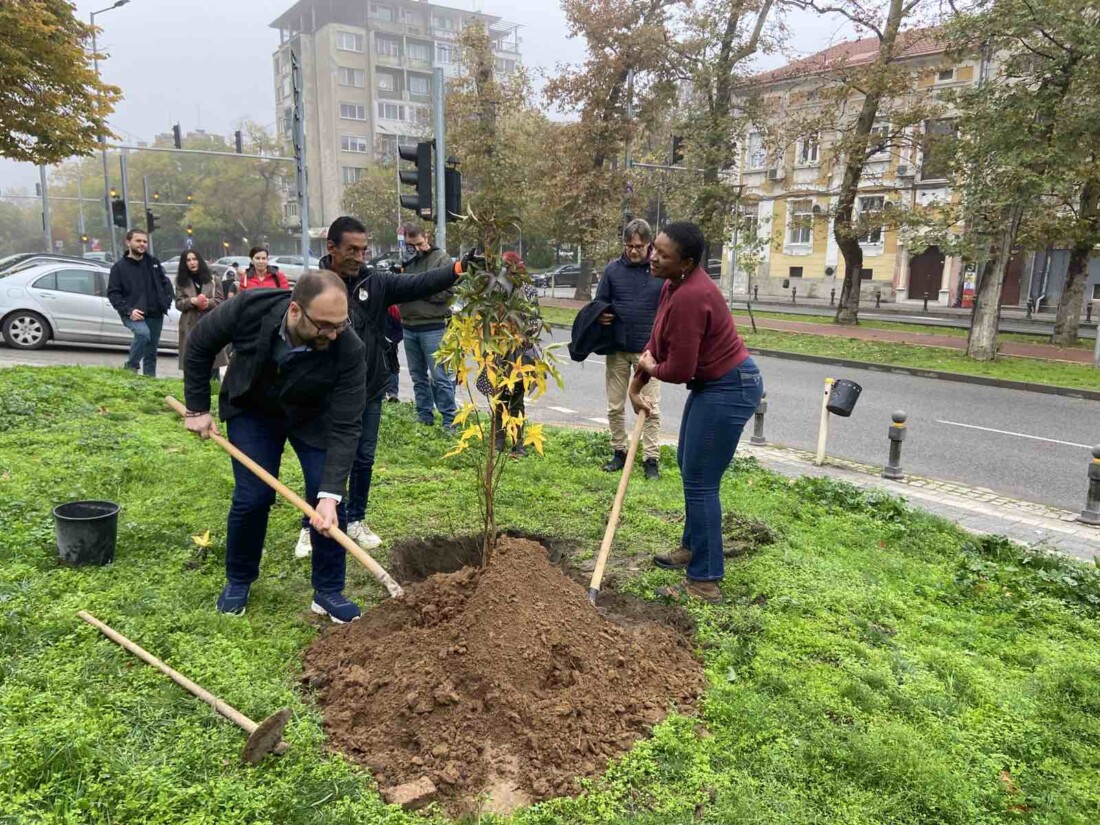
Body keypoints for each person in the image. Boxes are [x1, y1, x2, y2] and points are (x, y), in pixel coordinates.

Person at [182, 270, 367, 622]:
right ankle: (239, 579)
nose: (333, 333)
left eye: (339, 325)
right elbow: (200, 344)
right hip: (253, 409)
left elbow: (345, 425)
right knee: (253, 497)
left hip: (313, 416)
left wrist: (329, 495)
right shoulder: (250, 307)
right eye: (325, 325)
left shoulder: (348, 347)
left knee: (328, 499)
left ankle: (328, 591)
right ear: (295, 311)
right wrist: (197, 408)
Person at [292, 215, 476, 559]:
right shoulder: (312, 286)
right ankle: (310, 524)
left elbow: (420, 283)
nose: (359, 256)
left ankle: (357, 518)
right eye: (352, 250)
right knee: (322, 460)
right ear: (331, 247)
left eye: (364, 249)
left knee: (363, 458)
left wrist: (458, 268)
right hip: (325, 391)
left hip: (369, 386)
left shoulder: (376, 283)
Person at [629, 221, 763, 605]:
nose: (653, 257)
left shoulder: (691, 296)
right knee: (691, 471)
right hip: (713, 386)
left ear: (685, 262)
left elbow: (677, 369)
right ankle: (692, 546)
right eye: (654, 248)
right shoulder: (673, 286)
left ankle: (704, 580)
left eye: (662, 254)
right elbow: (655, 344)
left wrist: (650, 372)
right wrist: (636, 386)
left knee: (702, 482)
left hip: (730, 388)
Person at [595, 218, 664, 479]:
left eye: (639, 246)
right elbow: (599, 302)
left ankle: (651, 460)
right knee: (615, 405)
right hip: (618, 349)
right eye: (628, 245)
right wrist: (601, 315)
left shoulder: (659, 271)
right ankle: (619, 452)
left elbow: (669, 308)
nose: (633, 251)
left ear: (649, 244)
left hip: (649, 352)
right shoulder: (612, 270)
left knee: (650, 406)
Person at [475, 251, 542, 457]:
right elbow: (485, 318)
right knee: (500, 396)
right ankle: (498, 440)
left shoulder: (528, 290)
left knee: (517, 399)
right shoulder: (494, 289)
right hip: (498, 352)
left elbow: (533, 322)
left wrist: (518, 332)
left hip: (521, 353)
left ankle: (517, 442)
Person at [397, 224, 457, 431]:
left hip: (433, 326)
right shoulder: (407, 261)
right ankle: (424, 417)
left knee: (440, 377)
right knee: (418, 377)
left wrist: (418, 289)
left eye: (419, 244)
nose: (416, 249)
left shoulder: (441, 259)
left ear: (427, 238)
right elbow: (399, 289)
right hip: (409, 325)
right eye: (410, 245)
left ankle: (450, 421)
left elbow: (448, 291)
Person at [107, 228, 173, 377]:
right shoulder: (119, 268)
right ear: (128, 242)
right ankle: (131, 367)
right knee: (143, 334)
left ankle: (149, 383)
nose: (142, 244)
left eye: (145, 241)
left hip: (156, 313)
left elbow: (166, 284)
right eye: (138, 241)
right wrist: (129, 311)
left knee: (151, 352)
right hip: (133, 314)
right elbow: (113, 294)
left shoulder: (154, 263)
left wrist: (165, 301)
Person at [173, 251, 227, 373]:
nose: (192, 262)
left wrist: (209, 303)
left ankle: (214, 388)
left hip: (209, 321)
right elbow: (178, 304)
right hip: (190, 323)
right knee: (193, 362)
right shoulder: (181, 281)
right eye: (188, 260)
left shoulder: (213, 279)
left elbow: (221, 301)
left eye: (194, 259)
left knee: (213, 361)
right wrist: (191, 301)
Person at [385, 304, 403, 402]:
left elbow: (400, 330)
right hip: (374, 341)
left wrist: (393, 340)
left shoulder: (393, 309)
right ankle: (383, 393)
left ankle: (393, 393)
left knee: (392, 366)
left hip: (390, 342)